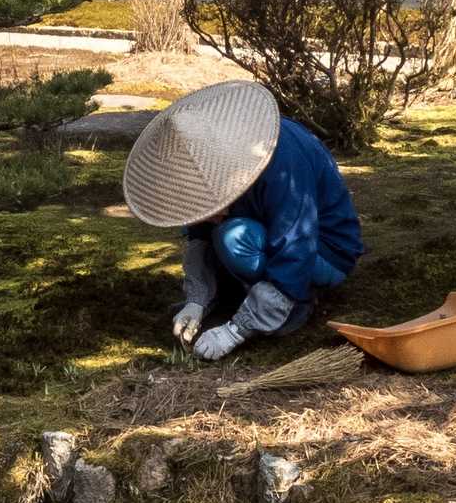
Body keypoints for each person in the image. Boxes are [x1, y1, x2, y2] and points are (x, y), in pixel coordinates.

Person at [122, 80, 363, 362]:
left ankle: (294, 302)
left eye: (212, 205)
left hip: (323, 251)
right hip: (269, 233)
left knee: (233, 237)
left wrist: (238, 329)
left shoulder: (282, 162)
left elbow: (296, 244)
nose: (208, 215)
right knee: (220, 231)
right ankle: (236, 291)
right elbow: (198, 233)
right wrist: (197, 298)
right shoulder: (206, 159)